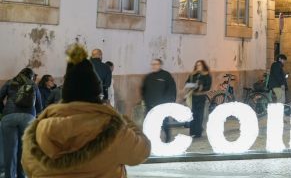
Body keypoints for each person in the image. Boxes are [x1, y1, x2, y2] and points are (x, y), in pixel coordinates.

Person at [22, 44, 150, 177]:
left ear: (65, 93)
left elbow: (29, 168)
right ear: (96, 93)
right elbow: (142, 152)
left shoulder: (39, 130)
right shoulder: (113, 129)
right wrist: (122, 119)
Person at [1, 67, 43, 178]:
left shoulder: (10, 82)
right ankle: (22, 175)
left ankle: (9, 176)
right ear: (31, 76)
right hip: (28, 117)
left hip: (9, 116)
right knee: (24, 150)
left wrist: (4, 110)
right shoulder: (33, 85)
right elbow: (39, 106)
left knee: (10, 149)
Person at [141, 58, 178, 142]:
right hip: (150, 106)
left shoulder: (166, 75)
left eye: (156, 64)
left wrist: (170, 102)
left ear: (160, 65)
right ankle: (152, 140)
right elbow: (143, 90)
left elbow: (172, 89)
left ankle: (168, 139)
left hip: (162, 106)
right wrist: (145, 101)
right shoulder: (148, 77)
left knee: (164, 123)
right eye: (152, 64)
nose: (154, 66)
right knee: (151, 124)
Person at [186, 60, 211, 138]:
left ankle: (198, 133)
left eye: (200, 65)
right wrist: (192, 85)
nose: (198, 66)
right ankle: (192, 132)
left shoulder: (207, 75)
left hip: (201, 97)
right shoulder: (193, 75)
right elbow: (186, 83)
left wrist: (201, 87)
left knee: (199, 115)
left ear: (203, 66)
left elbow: (208, 86)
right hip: (193, 96)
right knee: (193, 114)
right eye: (197, 65)